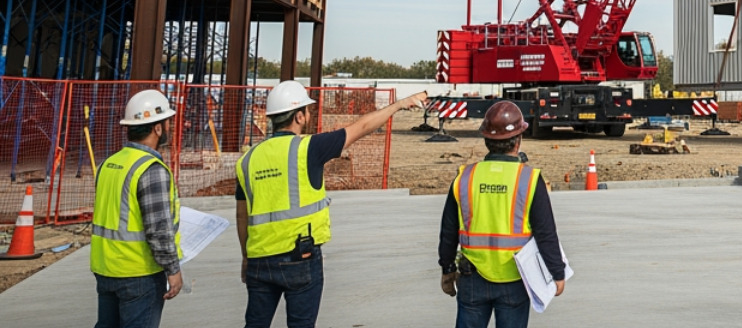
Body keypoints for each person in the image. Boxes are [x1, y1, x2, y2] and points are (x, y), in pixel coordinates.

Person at [236, 80, 427, 328]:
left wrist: (246, 258)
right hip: (300, 259)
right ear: (299, 116)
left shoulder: (247, 159)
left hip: (259, 260)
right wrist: (399, 104)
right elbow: (362, 127)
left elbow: (242, 216)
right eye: (307, 110)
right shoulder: (309, 148)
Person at [439, 101, 566, 328]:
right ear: (518, 140)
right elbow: (546, 232)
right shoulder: (529, 179)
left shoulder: (465, 177)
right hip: (515, 279)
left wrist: (447, 269)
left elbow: (448, 230)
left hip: (471, 276)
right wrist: (557, 272)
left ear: (486, 140)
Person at [90, 88, 183, 328]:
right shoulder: (150, 169)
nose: (169, 128)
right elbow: (158, 229)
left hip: (106, 268)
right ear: (157, 128)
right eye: (167, 122)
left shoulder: (109, 163)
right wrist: (172, 270)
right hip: (138, 273)